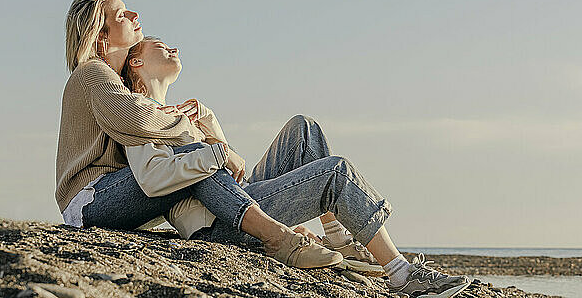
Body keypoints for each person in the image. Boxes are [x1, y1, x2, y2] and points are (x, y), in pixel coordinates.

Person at [120, 35, 473, 298]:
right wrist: (209, 151)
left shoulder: (181, 114)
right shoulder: (136, 113)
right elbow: (156, 178)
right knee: (335, 172)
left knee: (302, 128)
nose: (174, 49)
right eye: (160, 45)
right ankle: (401, 274)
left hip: (238, 197)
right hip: (218, 222)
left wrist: (208, 126)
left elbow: (232, 171)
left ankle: (342, 239)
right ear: (136, 63)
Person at [56, 0, 343, 269]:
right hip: (92, 200)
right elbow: (138, 120)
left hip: (115, 194)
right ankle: (278, 237)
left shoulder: (119, 83)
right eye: (120, 15)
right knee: (196, 158)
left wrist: (209, 132)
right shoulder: (93, 72)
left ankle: (307, 234)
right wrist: (189, 127)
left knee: (202, 158)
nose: (133, 14)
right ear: (101, 36)